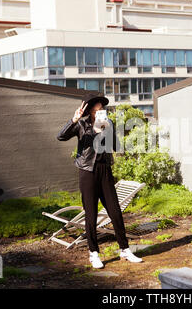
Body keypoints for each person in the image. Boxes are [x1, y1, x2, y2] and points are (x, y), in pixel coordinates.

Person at [57, 91, 143, 269]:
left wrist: (107, 129)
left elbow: (115, 146)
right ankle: (93, 253)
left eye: (102, 109)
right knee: (91, 214)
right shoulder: (81, 124)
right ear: (90, 110)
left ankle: (125, 249)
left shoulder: (107, 123)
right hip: (87, 171)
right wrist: (73, 120)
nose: (101, 111)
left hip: (105, 171)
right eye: (97, 109)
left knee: (115, 211)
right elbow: (61, 136)